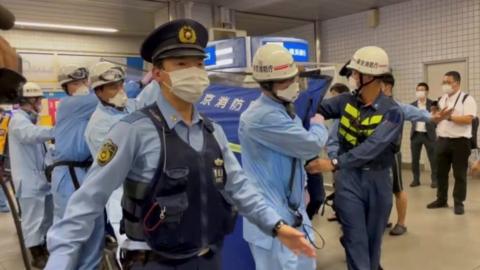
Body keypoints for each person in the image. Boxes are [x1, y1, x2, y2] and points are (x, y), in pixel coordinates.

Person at [45, 19, 315, 270]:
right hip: (154, 261)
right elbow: (87, 200)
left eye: (198, 63)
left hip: (208, 257)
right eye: (181, 64)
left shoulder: (212, 131)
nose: (194, 72)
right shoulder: (133, 131)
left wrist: (277, 226)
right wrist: (59, 260)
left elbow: (239, 187)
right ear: (158, 73)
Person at [306, 46, 403, 270]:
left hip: (378, 180)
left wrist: (332, 163)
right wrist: (313, 113)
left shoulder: (393, 112)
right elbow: (315, 107)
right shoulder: (344, 101)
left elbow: (372, 147)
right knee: (354, 239)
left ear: (369, 77)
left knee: (372, 240)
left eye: (354, 74)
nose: (351, 78)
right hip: (348, 181)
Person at [239, 44, 327, 270]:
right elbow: (309, 145)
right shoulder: (262, 116)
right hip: (272, 216)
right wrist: (318, 125)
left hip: (291, 210)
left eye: (293, 78)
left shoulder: (284, 109)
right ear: (266, 84)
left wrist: (303, 187)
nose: (292, 85)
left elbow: (291, 158)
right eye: (284, 81)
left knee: (305, 264)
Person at [84, 61, 140, 259]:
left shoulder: (128, 106)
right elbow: (118, 165)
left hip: (144, 192)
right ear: (99, 91)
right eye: (113, 87)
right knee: (131, 252)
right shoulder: (98, 126)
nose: (120, 90)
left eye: (121, 85)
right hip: (121, 197)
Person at [49, 64, 100, 269]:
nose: (80, 86)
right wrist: (140, 83)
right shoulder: (72, 104)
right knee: (72, 231)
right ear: (66, 88)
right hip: (71, 175)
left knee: (90, 226)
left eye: (83, 82)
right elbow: (105, 97)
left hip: (81, 173)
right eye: (74, 83)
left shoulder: (84, 109)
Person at [8, 82, 54, 268]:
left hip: (39, 180)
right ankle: (36, 254)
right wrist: (58, 131)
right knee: (33, 219)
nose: (40, 103)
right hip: (28, 181)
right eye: (38, 99)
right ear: (30, 100)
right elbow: (32, 136)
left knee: (44, 217)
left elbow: (41, 146)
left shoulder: (30, 119)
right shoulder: (18, 120)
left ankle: (43, 246)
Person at [427, 71, 477, 215]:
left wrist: (449, 118)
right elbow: (436, 119)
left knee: (459, 174)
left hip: (460, 142)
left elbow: (468, 119)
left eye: (448, 82)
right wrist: (435, 115)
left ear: (457, 83)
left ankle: (458, 203)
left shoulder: (466, 99)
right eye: (444, 82)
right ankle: (441, 200)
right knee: (441, 173)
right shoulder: (441, 99)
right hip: (442, 140)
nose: (445, 85)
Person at [410, 82, 438, 188]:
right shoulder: (412, 105)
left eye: (422, 90)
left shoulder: (433, 104)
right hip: (416, 134)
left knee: (433, 159)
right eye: (418, 90)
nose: (419, 92)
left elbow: (436, 119)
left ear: (426, 91)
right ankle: (416, 180)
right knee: (415, 159)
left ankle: (434, 180)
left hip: (429, 135)